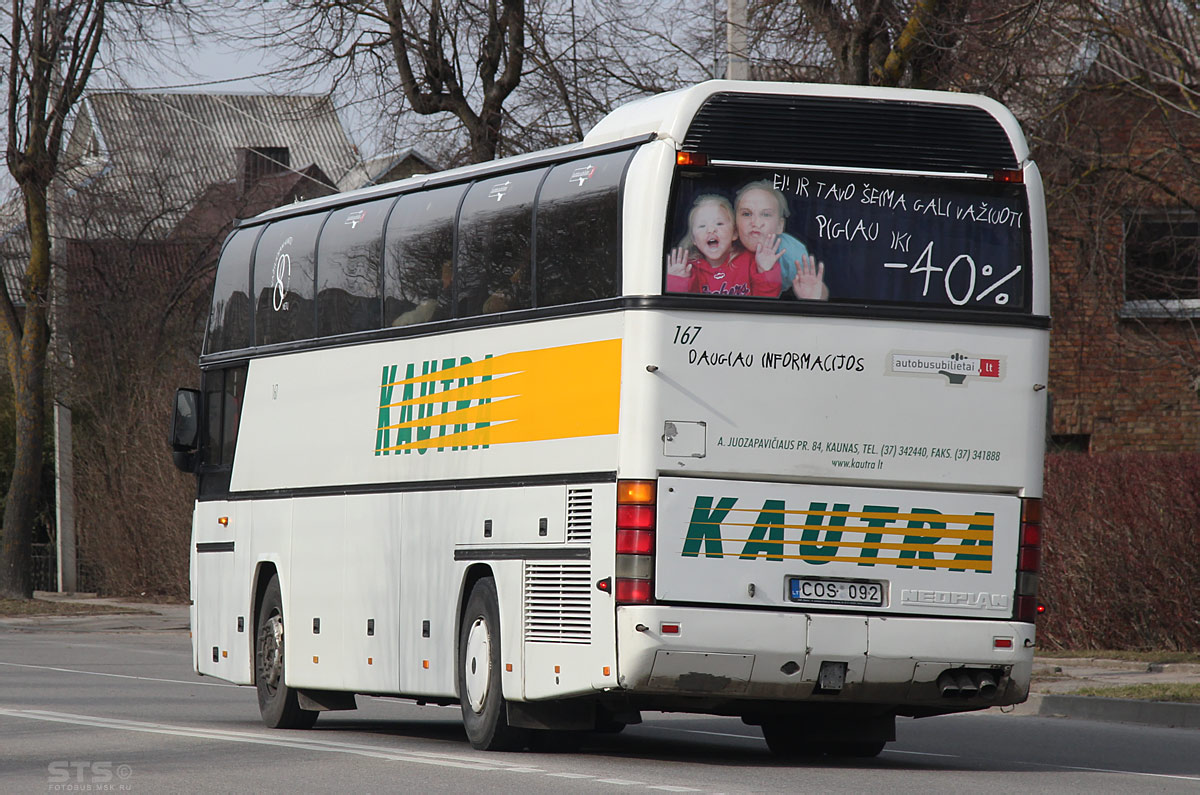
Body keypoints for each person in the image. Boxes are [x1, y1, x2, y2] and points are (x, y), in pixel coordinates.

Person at [665, 194, 781, 296]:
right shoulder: (689, 269)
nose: (711, 229)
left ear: (734, 233)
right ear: (694, 239)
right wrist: (677, 281)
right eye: (702, 226)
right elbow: (683, 310)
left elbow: (765, 302)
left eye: (719, 223)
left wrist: (765, 271)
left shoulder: (750, 262)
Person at [733, 180, 829, 300]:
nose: (755, 223)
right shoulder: (724, 247)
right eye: (746, 214)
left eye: (766, 215)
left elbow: (813, 285)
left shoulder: (791, 252)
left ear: (780, 226)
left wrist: (815, 297)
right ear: (734, 223)